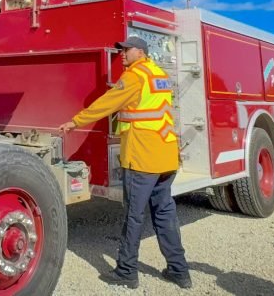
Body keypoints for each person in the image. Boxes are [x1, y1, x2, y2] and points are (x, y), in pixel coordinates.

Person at [60, 36, 191, 290]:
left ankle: (126, 271)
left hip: (142, 156)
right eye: (120, 50)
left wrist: (76, 121)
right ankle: (179, 271)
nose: (121, 54)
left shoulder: (135, 75)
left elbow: (107, 102)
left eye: (126, 50)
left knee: (134, 215)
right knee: (165, 213)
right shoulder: (159, 73)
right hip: (165, 155)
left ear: (140, 52)